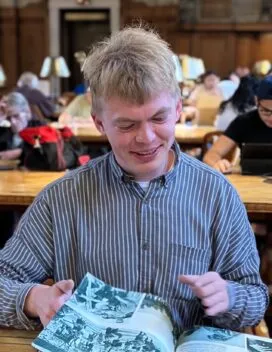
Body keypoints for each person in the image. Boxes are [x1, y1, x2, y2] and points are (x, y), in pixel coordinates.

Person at [0, 27, 268, 332]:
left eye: (158, 118)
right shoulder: (61, 199)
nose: (146, 138)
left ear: (178, 110)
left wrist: (229, 296)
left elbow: (255, 297)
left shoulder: (216, 194)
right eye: (127, 125)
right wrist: (34, 298)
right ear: (99, 123)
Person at [204, 76, 272, 173]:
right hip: (250, 184)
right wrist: (218, 163)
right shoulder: (244, 122)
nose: (271, 118)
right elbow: (211, 155)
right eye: (266, 111)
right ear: (257, 101)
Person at [0, 92, 33, 161]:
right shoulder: (5, 131)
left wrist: (20, 153)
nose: (12, 122)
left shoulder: (39, 128)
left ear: (27, 112)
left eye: (16, 116)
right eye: (9, 117)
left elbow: (44, 151)